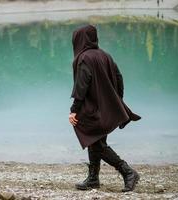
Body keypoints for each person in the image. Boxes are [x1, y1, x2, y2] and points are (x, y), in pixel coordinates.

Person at [69, 25, 141, 192]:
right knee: (95, 141)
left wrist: (74, 109)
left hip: (92, 110)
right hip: (107, 109)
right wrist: (116, 101)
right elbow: (119, 78)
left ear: (80, 40)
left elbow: (82, 85)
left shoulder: (84, 58)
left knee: (96, 143)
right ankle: (93, 179)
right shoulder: (105, 55)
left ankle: (128, 172)